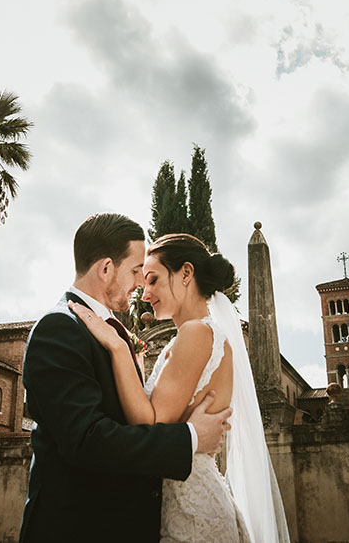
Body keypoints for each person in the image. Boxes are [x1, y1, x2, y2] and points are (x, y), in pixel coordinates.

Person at [19, 214, 233, 543]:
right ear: (106, 269)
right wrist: (191, 438)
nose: (140, 287)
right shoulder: (59, 328)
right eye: (136, 272)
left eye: (148, 277)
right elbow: (88, 440)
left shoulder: (109, 331)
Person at [73, 233, 291, 543]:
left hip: (191, 514)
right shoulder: (196, 335)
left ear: (186, 273)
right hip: (186, 500)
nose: (145, 293)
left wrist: (118, 349)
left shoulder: (196, 332)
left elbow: (152, 423)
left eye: (153, 280)